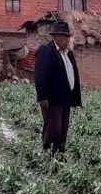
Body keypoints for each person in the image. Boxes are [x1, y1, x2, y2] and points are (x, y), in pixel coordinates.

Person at [33, 20, 81, 157]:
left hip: (66, 98)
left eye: (68, 37)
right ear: (56, 37)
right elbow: (40, 74)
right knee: (53, 128)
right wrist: (42, 97)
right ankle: (49, 153)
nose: (67, 40)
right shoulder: (46, 51)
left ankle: (60, 153)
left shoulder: (68, 54)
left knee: (63, 128)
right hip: (52, 98)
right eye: (65, 37)